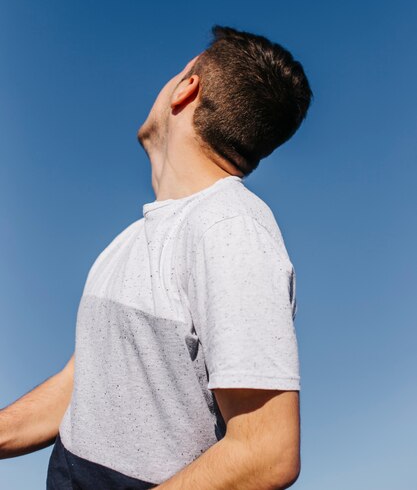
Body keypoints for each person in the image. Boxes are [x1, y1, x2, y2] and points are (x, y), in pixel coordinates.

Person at [0, 25, 313, 489]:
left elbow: (266, 451)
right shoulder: (133, 239)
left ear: (188, 87)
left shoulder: (229, 226)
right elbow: (80, 383)